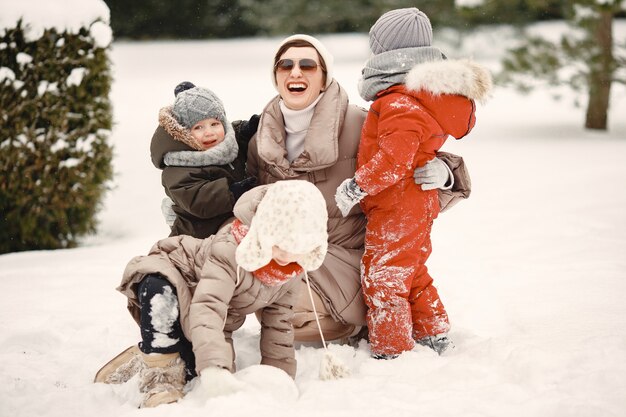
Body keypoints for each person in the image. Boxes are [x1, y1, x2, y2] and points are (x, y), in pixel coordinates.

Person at [245, 33, 473, 345]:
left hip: (352, 258)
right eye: (285, 65)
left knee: (289, 312)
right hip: (291, 258)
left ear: (325, 77)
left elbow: (405, 159)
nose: (295, 72)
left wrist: (445, 173)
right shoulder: (261, 140)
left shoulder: (358, 122)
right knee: (265, 298)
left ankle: (376, 325)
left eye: (308, 65)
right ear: (276, 76)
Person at [334, 8, 492, 358]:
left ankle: (392, 351)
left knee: (383, 277)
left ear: (387, 52)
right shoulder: (418, 95)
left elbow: (394, 158)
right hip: (410, 202)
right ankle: (432, 331)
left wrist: (357, 186)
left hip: (398, 204)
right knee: (412, 269)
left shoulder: (398, 100)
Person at [99, 180, 329, 408]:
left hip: (201, 313)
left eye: (297, 247)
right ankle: (160, 374)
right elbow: (209, 308)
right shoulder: (231, 250)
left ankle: (151, 355)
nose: (286, 257)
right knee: (163, 301)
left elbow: (279, 324)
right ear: (265, 230)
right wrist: (217, 368)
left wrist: (278, 378)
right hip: (171, 275)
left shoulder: (292, 270)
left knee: (194, 367)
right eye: (280, 245)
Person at [150, 81, 257, 238]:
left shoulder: (226, 146)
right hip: (196, 236)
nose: (209, 132)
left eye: (214, 123)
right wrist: (231, 192)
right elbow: (197, 200)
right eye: (198, 127)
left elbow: (236, 137)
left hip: (229, 227)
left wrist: (247, 130)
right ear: (184, 134)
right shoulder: (178, 167)